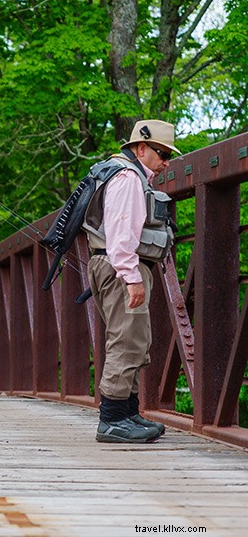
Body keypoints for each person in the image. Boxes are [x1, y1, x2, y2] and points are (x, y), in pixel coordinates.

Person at [83, 120, 179, 443]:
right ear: (142, 148)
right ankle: (111, 420)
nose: (166, 162)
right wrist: (131, 277)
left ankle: (128, 412)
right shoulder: (127, 178)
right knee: (126, 340)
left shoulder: (128, 175)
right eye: (162, 153)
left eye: (169, 156)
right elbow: (122, 234)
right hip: (120, 267)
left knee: (136, 337)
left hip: (116, 266)